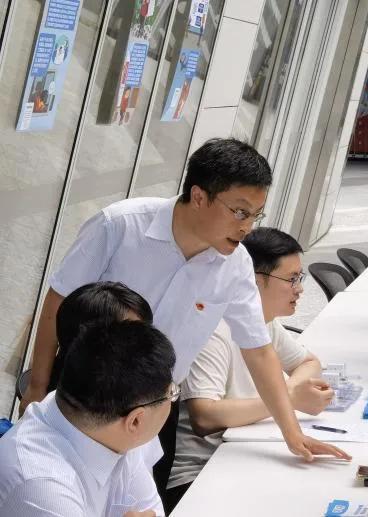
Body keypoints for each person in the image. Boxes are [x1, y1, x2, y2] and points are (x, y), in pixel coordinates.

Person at [20, 138, 349, 494]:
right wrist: (37, 388)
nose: (247, 227)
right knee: (60, 491)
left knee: (141, 502)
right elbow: (58, 302)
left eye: (256, 215)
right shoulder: (120, 226)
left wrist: (292, 433)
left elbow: (259, 350)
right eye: (239, 211)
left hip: (155, 408)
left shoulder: (235, 265)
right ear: (199, 196)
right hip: (83, 396)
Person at [164, 228, 334, 512]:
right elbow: (204, 416)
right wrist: (287, 399)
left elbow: (309, 363)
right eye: (292, 279)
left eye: (300, 278)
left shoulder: (262, 322)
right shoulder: (213, 329)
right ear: (255, 281)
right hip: (200, 474)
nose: (300, 288)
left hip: (242, 455)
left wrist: (289, 392)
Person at [0, 320, 176, 516]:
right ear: (135, 420)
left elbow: (153, 509)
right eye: (172, 394)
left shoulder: (105, 425)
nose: (173, 399)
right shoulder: (42, 486)